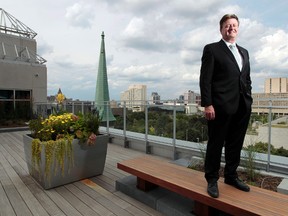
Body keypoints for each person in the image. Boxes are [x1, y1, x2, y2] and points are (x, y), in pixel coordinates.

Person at [199, 14, 253, 198]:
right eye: (227, 25)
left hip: (242, 107)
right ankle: (212, 180)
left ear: (238, 28)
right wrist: (208, 104)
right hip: (220, 107)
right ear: (221, 29)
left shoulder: (244, 52)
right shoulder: (212, 49)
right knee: (216, 144)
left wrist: (249, 98)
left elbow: (246, 78)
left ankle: (231, 176)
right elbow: (205, 80)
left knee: (235, 144)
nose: (231, 28)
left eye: (234, 25)